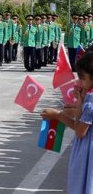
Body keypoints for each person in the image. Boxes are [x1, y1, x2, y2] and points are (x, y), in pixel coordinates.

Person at [41, 52, 93, 193]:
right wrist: (80, 99)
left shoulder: (91, 100)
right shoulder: (88, 96)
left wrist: (57, 115)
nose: (79, 83)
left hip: (87, 151)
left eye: (82, 78)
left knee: (83, 185)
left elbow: (80, 132)